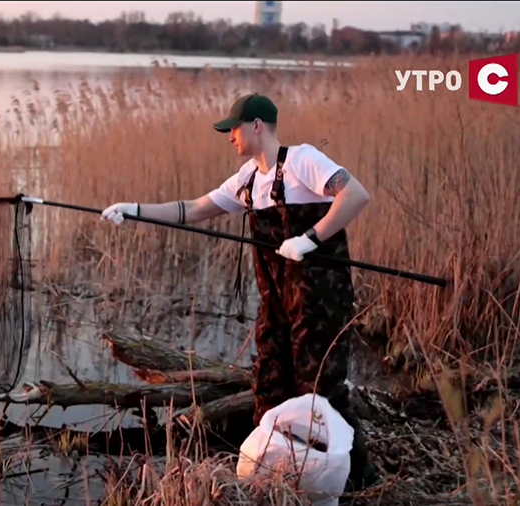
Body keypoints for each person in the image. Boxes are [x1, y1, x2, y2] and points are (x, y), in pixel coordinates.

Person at [100, 92, 377, 491]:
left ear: (257, 126)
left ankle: (357, 480)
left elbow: (355, 195)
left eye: (234, 127)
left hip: (320, 300)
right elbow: (192, 209)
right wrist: (135, 209)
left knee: (321, 394)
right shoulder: (248, 179)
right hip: (277, 302)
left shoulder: (302, 160)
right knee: (269, 388)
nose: (229, 135)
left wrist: (310, 239)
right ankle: (278, 476)